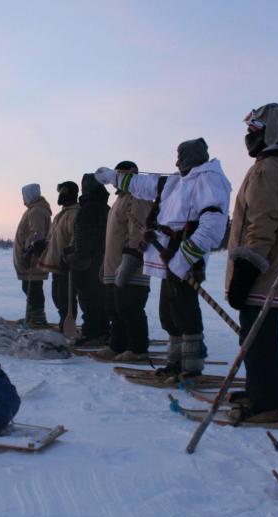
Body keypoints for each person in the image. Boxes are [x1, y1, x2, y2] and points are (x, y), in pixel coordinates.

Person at [95, 138, 231, 379]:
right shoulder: (176, 181)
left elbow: (213, 225)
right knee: (169, 314)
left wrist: (183, 259)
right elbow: (142, 184)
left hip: (186, 258)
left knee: (185, 312)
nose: (176, 161)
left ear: (190, 157)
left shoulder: (209, 179)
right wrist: (111, 176)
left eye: (180, 156)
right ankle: (175, 363)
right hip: (167, 258)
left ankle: (191, 366)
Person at [224, 103, 278, 424]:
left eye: (254, 131)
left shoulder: (267, 169)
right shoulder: (272, 166)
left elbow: (261, 224)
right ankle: (260, 389)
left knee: (260, 338)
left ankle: (267, 403)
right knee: (256, 336)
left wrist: (246, 270)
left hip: (263, 273)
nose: (248, 137)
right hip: (268, 274)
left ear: (269, 132)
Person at [95, 161, 153, 362]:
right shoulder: (119, 200)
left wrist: (130, 261)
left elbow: (139, 232)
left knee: (130, 308)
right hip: (113, 265)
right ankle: (117, 345)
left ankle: (138, 348)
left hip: (131, 268)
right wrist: (106, 264)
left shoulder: (138, 197)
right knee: (114, 309)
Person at [64, 174, 110, 345]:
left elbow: (85, 237)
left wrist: (74, 256)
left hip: (88, 263)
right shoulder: (105, 207)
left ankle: (92, 333)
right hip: (102, 261)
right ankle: (103, 331)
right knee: (99, 298)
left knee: (89, 300)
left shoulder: (89, 209)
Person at [38, 181, 80, 333]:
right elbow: (54, 236)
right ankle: (63, 320)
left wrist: (70, 255)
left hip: (66, 264)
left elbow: (75, 238)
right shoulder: (61, 214)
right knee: (57, 296)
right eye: (60, 192)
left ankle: (67, 324)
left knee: (66, 297)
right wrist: (43, 244)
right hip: (56, 262)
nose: (60, 196)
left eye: (64, 192)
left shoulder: (75, 213)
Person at [13, 183, 52, 328]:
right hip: (29, 258)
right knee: (30, 288)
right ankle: (32, 317)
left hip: (32, 259)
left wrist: (28, 252)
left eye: (25, 195)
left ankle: (38, 319)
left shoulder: (36, 211)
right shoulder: (34, 209)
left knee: (33, 288)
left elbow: (36, 234)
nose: (23, 198)